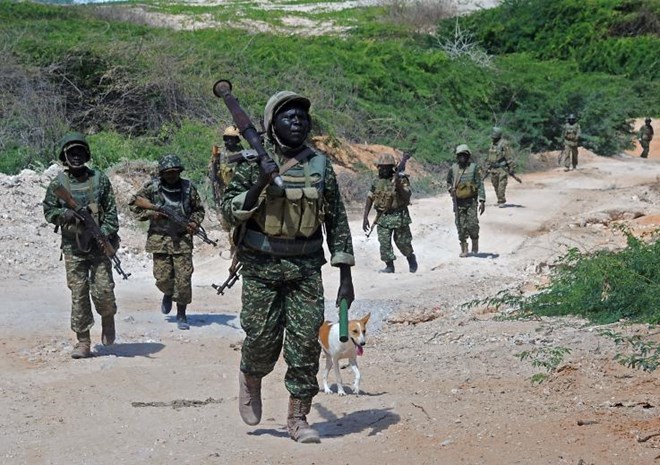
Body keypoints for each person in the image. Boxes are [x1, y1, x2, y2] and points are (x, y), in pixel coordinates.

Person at [220, 91, 355, 444]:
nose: (297, 121)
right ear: (271, 124)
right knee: (261, 339)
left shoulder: (320, 165)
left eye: (302, 116)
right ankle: (251, 376)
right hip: (260, 265)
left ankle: (298, 417)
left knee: (306, 344)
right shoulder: (252, 163)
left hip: (305, 267)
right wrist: (260, 183)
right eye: (288, 116)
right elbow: (229, 212)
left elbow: (337, 222)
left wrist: (345, 275)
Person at [43, 132, 119, 359]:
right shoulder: (58, 184)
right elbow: (49, 211)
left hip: (98, 245)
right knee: (79, 294)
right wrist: (64, 214)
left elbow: (111, 214)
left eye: (80, 152)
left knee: (104, 290)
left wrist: (103, 234)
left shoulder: (100, 179)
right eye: (71, 153)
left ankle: (108, 319)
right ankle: (83, 341)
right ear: (65, 157)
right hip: (73, 247)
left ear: (86, 155)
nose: (76, 156)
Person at [129, 155, 205, 330]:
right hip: (159, 239)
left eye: (175, 172)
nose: (171, 176)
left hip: (182, 238)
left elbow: (199, 210)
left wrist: (194, 223)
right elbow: (133, 204)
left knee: (183, 279)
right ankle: (168, 292)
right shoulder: (152, 188)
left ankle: (181, 314)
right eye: (168, 173)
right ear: (161, 173)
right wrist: (152, 213)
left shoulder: (188, 188)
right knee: (162, 278)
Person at [362, 153, 417, 273]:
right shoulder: (376, 181)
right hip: (383, 217)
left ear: (391, 168)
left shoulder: (401, 179)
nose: (383, 170)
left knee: (403, 243)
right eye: (381, 167)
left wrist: (398, 185)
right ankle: (389, 266)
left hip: (399, 216)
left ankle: (411, 259)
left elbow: (407, 195)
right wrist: (365, 217)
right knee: (384, 243)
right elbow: (370, 197)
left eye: (386, 167)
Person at [447, 144, 486, 257]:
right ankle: (464, 248)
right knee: (460, 225)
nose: (462, 157)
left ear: (468, 156)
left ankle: (475, 242)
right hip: (458, 201)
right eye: (460, 155)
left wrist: (482, 200)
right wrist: (450, 190)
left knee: (472, 224)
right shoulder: (453, 169)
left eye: (464, 155)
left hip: (471, 201)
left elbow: (480, 184)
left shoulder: (474, 168)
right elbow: (448, 182)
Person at [486, 126, 516, 207]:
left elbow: (508, 156)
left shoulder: (504, 144)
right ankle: (499, 199)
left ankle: (501, 201)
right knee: (495, 184)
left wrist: (511, 167)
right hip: (493, 168)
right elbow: (490, 156)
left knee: (501, 185)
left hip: (502, 168)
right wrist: (488, 166)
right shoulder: (492, 144)